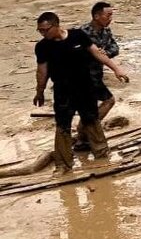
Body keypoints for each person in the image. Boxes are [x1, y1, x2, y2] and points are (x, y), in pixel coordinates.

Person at [34, 12, 121, 171]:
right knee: (63, 126)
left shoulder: (78, 36)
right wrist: (39, 91)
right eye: (40, 30)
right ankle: (64, 164)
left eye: (45, 30)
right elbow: (42, 71)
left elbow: (96, 53)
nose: (43, 33)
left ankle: (102, 157)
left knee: (92, 120)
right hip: (62, 91)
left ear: (56, 25)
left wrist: (116, 69)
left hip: (85, 87)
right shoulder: (43, 47)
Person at [77, 2, 131, 135]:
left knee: (93, 106)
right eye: (108, 15)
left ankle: (83, 133)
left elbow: (115, 48)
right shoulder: (82, 33)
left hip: (96, 75)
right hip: (82, 76)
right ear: (96, 16)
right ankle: (85, 134)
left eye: (111, 15)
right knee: (107, 101)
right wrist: (95, 54)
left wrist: (105, 53)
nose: (110, 19)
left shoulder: (106, 31)